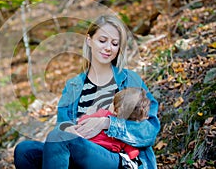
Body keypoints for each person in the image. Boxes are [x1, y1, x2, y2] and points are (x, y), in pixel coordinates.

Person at [14, 14, 160, 169]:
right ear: (89, 41)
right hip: (80, 150)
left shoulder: (130, 80)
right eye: (102, 41)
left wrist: (107, 123)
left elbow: (149, 131)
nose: (108, 47)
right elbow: (62, 126)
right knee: (25, 150)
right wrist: (70, 129)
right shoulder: (74, 86)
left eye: (115, 43)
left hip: (115, 158)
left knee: (61, 139)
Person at [78, 87, 151, 167]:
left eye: (113, 102)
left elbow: (83, 121)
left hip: (88, 147)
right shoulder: (126, 135)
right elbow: (132, 153)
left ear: (115, 110)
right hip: (107, 157)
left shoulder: (102, 114)